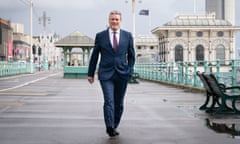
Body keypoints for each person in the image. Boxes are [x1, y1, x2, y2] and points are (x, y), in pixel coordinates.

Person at [87, 10, 135, 137]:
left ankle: (114, 124)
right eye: (112, 19)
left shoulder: (127, 36)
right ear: (109, 21)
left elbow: (131, 55)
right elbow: (95, 55)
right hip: (105, 74)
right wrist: (90, 73)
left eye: (116, 19)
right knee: (109, 100)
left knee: (119, 102)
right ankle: (109, 126)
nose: (114, 21)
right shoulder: (100, 36)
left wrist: (130, 70)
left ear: (120, 21)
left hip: (122, 74)